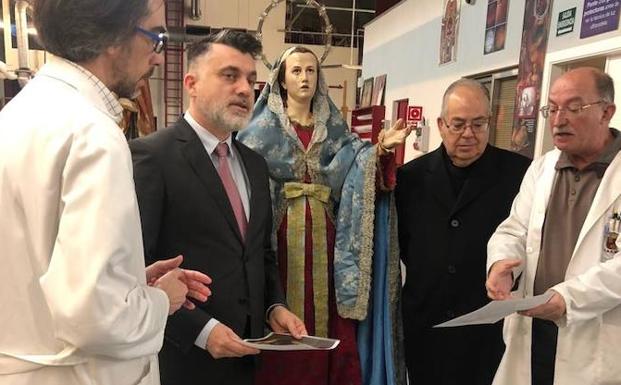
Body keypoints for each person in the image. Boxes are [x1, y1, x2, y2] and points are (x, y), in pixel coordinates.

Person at [0, 1, 212, 385]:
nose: (159, 58)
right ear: (114, 37)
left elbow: (33, 264)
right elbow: (96, 318)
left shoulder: (17, 116)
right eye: (155, 37)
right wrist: (163, 298)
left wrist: (129, 281)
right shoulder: (93, 133)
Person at [129, 31, 306, 385]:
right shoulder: (152, 157)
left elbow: (261, 255)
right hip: (184, 359)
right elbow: (134, 270)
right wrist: (201, 330)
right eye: (230, 76)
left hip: (247, 355)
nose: (245, 89)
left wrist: (275, 307)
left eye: (251, 79)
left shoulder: (255, 165)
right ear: (191, 84)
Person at [237, 46, 411, 385]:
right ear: (282, 80)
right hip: (280, 236)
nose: (304, 77)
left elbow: (356, 166)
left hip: (327, 237)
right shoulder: (257, 132)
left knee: (330, 316)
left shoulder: (333, 129)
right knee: (279, 304)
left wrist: (382, 149)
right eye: (296, 71)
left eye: (311, 71)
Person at [486, 67, 621, 385]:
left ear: (607, 112)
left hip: (596, 340)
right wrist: (501, 264)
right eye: (552, 108)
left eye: (574, 108)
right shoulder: (543, 168)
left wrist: (567, 299)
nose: (559, 120)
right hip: (534, 335)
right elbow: (514, 229)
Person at [395, 79, 531, 385]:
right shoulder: (409, 178)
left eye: (478, 124)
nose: (469, 134)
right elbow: (404, 247)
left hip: (488, 327)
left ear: (490, 120)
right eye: (458, 125)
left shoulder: (520, 174)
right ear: (441, 125)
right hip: (426, 326)